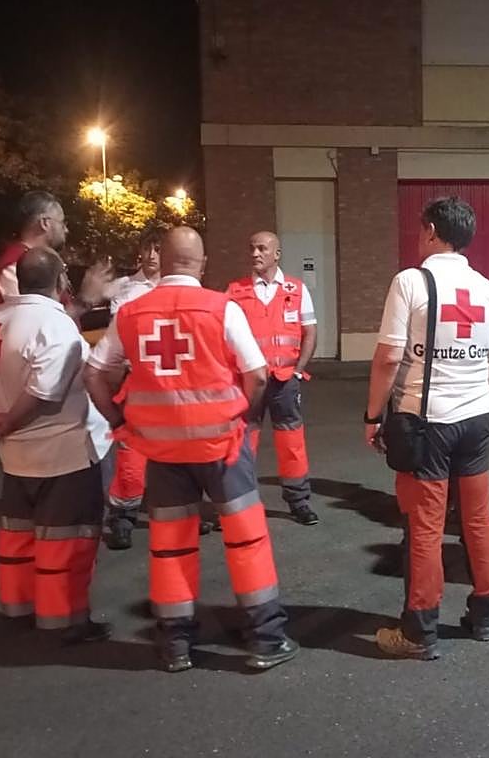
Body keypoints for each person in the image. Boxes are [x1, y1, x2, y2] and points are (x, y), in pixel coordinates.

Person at [84, 226, 298, 673]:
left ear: (162, 259)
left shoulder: (132, 313)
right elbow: (257, 375)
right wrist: (240, 415)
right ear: (201, 264)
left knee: (170, 549)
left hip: (161, 453)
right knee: (247, 542)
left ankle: (175, 645)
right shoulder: (222, 308)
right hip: (221, 448)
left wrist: (120, 422)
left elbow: (93, 373)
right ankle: (265, 640)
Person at [364, 197, 489, 660]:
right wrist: (475, 394)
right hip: (478, 417)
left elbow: (388, 356)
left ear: (429, 230)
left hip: (427, 421)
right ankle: (485, 613)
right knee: (478, 519)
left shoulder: (411, 281)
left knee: (425, 526)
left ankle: (419, 631)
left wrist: (373, 416)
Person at [0, 246, 113, 643]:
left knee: (19, 540)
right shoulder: (55, 325)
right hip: (62, 453)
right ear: (61, 281)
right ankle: (64, 621)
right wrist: (10, 418)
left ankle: (18, 608)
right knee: (67, 543)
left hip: (14, 457)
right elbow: (45, 391)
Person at [225, 231, 319, 526]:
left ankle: (298, 501)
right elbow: (224, 336)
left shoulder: (297, 288)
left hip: (284, 381)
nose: (255, 253)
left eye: (262, 248)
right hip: (250, 382)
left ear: (276, 254)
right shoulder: (234, 291)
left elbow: (310, 332)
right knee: (243, 442)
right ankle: (240, 501)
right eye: (251, 248)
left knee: (291, 442)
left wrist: (298, 370)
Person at [100, 229, 162, 550]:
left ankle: (182, 511)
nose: (151, 256)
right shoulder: (126, 289)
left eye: (157, 249)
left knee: (173, 451)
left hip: (168, 382)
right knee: (130, 451)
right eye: (146, 249)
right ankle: (123, 516)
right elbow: (119, 339)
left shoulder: (176, 287)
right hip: (134, 380)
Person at [0, 190, 111, 318]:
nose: (66, 230)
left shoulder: (37, 260)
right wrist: (84, 300)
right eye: (62, 223)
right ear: (45, 223)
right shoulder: (15, 265)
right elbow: (37, 323)